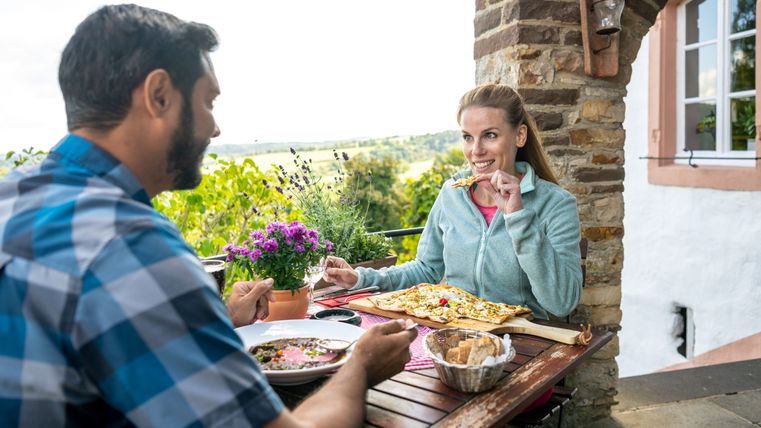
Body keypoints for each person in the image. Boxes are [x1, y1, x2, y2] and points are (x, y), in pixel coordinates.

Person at [0, 5, 415, 427]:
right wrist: (360, 365)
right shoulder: (131, 246)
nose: (214, 128)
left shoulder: (10, 198)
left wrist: (214, 317)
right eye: (208, 101)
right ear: (159, 95)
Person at [324, 83, 583, 320]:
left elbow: (562, 303)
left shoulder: (556, 204)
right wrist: (360, 277)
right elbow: (426, 269)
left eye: (490, 135)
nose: (476, 150)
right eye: (468, 137)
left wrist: (517, 217)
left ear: (520, 136)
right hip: (454, 334)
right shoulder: (452, 193)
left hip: (521, 341)